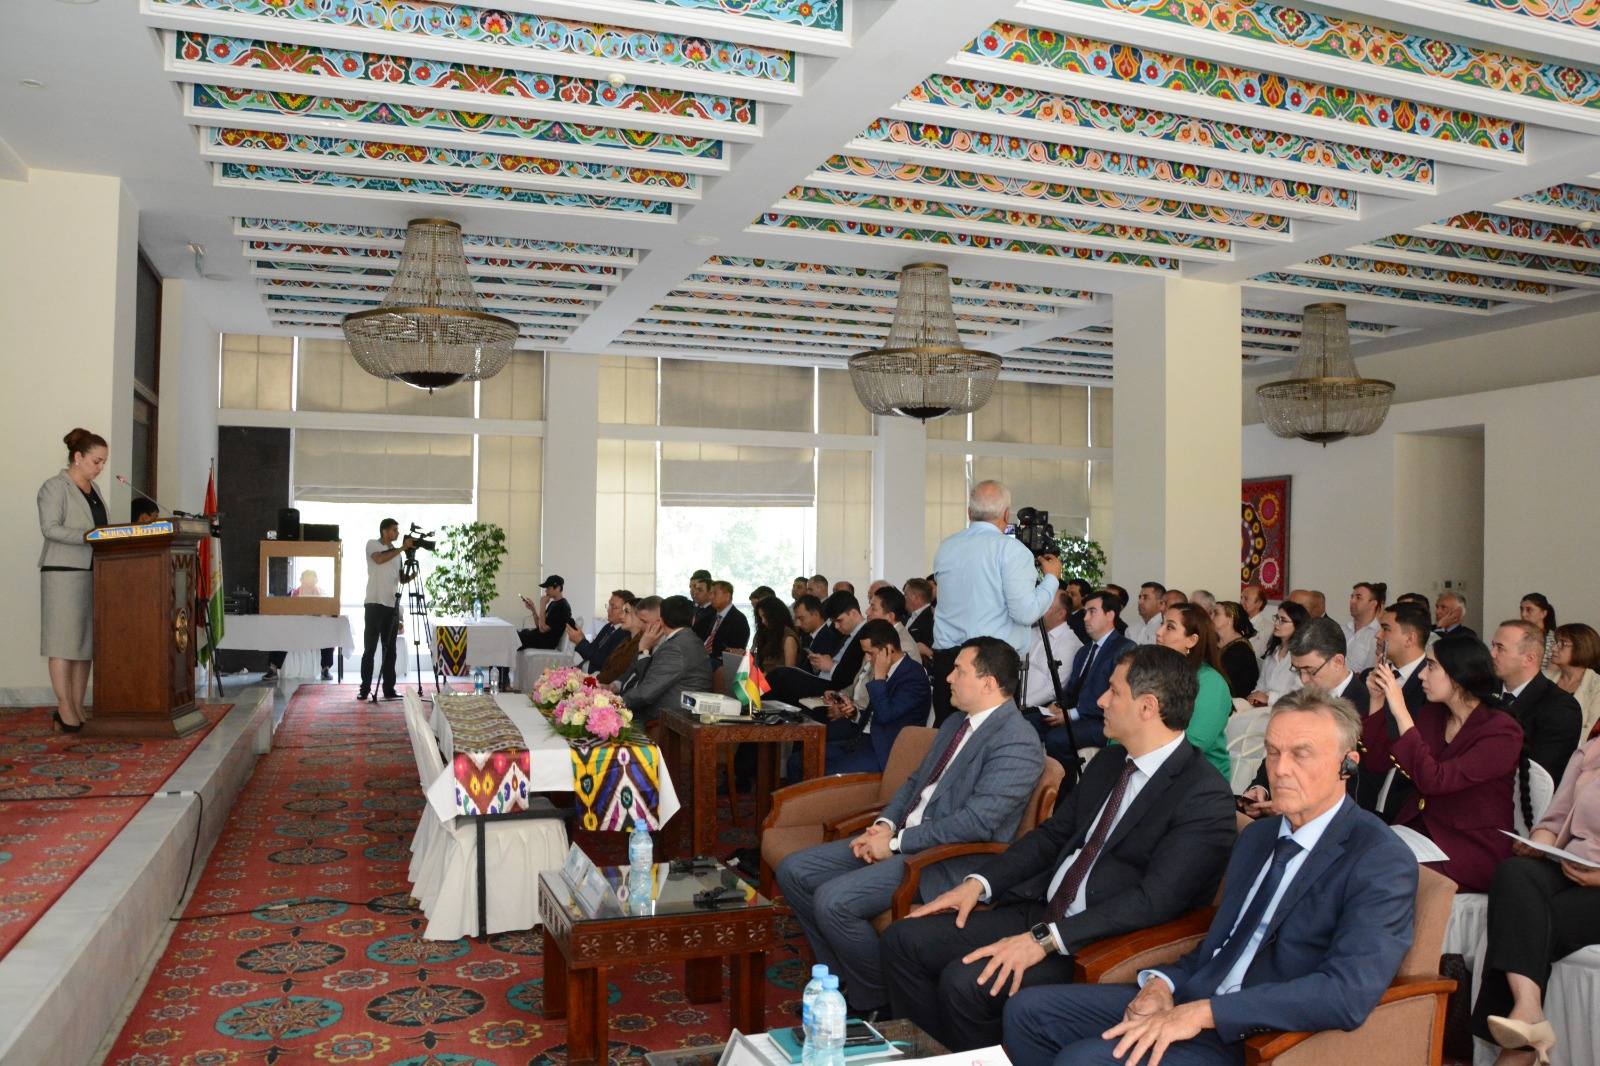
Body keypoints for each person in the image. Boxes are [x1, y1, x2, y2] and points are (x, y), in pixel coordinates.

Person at [1003, 687, 1418, 1066]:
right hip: (1195, 998)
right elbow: (1224, 942)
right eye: (1273, 752)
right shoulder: (1258, 837)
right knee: (1028, 1013)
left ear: (1348, 764)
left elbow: (1346, 992)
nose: (1280, 769)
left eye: (1301, 754)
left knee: (1083, 1060)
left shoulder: (1379, 859)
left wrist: (1207, 1013)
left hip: (1261, 1036)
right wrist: (1162, 984)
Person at [882, 645, 1237, 1051]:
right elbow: (1052, 837)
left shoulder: (1203, 796)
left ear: (1147, 707)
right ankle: (931, 1056)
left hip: (1099, 941)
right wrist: (979, 884)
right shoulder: (1110, 763)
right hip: (1041, 909)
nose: (1100, 701)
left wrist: (1045, 940)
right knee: (903, 940)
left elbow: (1153, 901)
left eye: (1113, 691)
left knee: (966, 983)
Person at [775, 637, 1045, 1016]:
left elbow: (977, 823)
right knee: (794, 870)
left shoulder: (1017, 741)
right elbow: (916, 782)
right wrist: (884, 824)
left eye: (959, 671)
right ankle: (839, 978)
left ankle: (876, 1000)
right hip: (904, 840)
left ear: (989, 683)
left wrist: (896, 843)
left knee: (833, 902)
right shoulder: (955, 722)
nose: (948, 678)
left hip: (944, 860)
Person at [1472, 733, 1600, 1066]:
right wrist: (1538, 844)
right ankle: (1528, 1009)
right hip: (1571, 865)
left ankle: (1517, 1053)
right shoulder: (1592, 749)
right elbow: (1554, 820)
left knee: (1528, 919)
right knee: (1514, 873)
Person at [1363, 634, 1523, 891]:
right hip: (1421, 833)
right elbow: (1378, 762)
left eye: (1431, 666)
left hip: (1470, 847)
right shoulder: (1434, 715)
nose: (1421, 675)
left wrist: (1401, 710)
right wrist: (1378, 701)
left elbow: (1434, 781)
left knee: (1380, 869)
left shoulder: (1501, 731)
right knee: (1351, 850)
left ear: (1458, 674)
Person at [928, 480, 1063, 724]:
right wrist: (1052, 578)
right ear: (1006, 514)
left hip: (948, 661)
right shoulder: (1011, 550)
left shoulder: (946, 548)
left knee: (949, 735)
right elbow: (1026, 613)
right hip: (990, 664)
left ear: (969, 512)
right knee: (991, 738)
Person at [1240, 617, 1369, 815]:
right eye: (1297, 670)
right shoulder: (1301, 698)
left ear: (1337, 661)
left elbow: (1357, 784)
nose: (1303, 680)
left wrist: (1296, 806)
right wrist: (1261, 788)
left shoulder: (1367, 707)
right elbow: (1278, 750)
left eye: (1310, 671)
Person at [37, 427, 109, 732]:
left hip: (94, 572)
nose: (101, 467)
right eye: (96, 461)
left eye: (103, 462)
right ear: (77, 457)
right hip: (63, 573)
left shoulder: (95, 490)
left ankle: (78, 704)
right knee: (63, 642)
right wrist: (89, 536)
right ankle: (64, 706)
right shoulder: (54, 487)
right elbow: (50, 528)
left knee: (84, 644)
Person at [819, 618, 931, 774]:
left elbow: (885, 716)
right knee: (800, 761)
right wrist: (854, 713)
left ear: (888, 650)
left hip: (883, 750)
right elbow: (875, 714)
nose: (867, 658)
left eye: (870, 653)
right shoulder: (884, 669)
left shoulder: (913, 677)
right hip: (861, 739)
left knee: (824, 771)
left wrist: (879, 678)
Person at [1356, 602, 1432, 821]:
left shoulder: (1429, 685)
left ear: (1410, 638)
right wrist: (1375, 701)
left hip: (1401, 791)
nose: (1378, 635)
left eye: (1386, 629)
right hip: (1365, 781)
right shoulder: (1372, 675)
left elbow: (1406, 744)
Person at [1490, 620, 1582, 783]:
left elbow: (1540, 777)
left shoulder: (1560, 707)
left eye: (1500, 648)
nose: (1492, 654)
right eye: (1493, 646)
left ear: (1529, 658)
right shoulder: (1483, 691)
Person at [1052, 590, 1136, 759]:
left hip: (1102, 720)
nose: (1085, 618)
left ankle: (1066, 777)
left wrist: (1071, 715)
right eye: (1085, 612)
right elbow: (1072, 690)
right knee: (1033, 722)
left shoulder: (1125, 649)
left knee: (1055, 738)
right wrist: (1057, 705)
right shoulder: (1083, 651)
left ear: (1110, 615)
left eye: (1092, 612)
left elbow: (1116, 697)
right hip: (1077, 714)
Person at [1152, 603, 1232, 778]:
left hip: (1198, 779)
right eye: (1162, 624)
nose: (1158, 632)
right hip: (1151, 767)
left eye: (1170, 627)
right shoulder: (1154, 673)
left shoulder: (1211, 683)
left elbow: (1194, 745)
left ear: (1192, 640)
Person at [617, 594, 712, 724]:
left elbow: (645, 693)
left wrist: (614, 703)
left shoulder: (675, 647)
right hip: (674, 712)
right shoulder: (688, 640)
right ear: (693, 619)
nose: (643, 627)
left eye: (644, 622)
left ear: (661, 621)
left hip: (672, 718)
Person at [767, 591, 868, 707]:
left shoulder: (864, 636)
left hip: (833, 686)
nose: (836, 626)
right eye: (834, 622)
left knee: (781, 675)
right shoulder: (847, 634)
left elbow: (852, 675)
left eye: (839, 621)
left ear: (853, 613)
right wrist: (822, 663)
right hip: (824, 678)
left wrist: (831, 666)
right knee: (780, 675)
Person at [1019, 589, 1083, 744]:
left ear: (1061, 614)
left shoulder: (1069, 643)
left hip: (1036, 707)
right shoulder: (1031, 632)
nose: (1039, 609)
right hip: (1013, 699)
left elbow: (1054, 688)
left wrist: (1021, 704)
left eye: (1046, 606)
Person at [359, 518, 409, 701]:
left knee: (390, 651)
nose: (397, 533)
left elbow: (401, 579)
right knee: (370, 650)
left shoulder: (398, 554)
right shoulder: (372, 544)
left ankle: (389, 689)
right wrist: (402, 548)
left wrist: (411, 574)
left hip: (391, 606)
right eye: (394, 530)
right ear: (384, 531)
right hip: (374, 604)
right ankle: (364, 689)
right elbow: (379, 559)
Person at [264, 569, 336, 682]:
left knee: (328, 635)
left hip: (316, 630)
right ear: (301, 580)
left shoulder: (323, 595)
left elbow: (330, 613)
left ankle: (325, 669)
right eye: (306, 581)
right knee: (279, 633)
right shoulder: (292, 594)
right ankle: (273, 668)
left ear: (316, 581)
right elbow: (283, 611)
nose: (309, 584)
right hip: (295, 630)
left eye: (311, 581)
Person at [1247, 600, 1308, 707]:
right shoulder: (1273, 651)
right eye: (1276, 618)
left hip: (1286, 709)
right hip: (1262, 706)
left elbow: (1299, 696)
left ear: (1298, 625)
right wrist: (1254, 696)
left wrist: (1269, 698)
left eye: (1283, 620)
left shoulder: (1301, 657)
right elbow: (1261, 685)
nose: (1276, 623)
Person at [1549, 622, 1600, 739]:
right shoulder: (1545, 677)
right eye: (1556, 642)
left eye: (1563, 644)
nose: (1554, 648)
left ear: (1582, 648)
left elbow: (1590, 731)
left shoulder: (1597, 686)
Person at [566, 589, 634, 673]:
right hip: (583, 668)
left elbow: (605, 662)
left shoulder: (625, 634)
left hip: (595, 675)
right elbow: (592, 651)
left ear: (626, 611)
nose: (608, 610)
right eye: (609, 605)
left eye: (613, 607)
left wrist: (580, 642)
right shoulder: (609, 626)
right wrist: (581, 639)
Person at [597, 596, 654, 685]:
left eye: (626, 611)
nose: (621, 616)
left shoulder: (644, 644)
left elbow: (624, 674)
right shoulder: (626, 640)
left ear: (641, 617)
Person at [1209, 601, 1259, 699]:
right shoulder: (1215, 642)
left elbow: (1220, 679)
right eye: (1211, 613)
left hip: (1235, 700)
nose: (1211, 617)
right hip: (1218, 693)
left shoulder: (1241, 650)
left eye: (1216, 613)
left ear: (1230, 618)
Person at [701, 579, 750, 664]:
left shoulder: (739, 620)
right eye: (710, 594)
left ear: (727, 596)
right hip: (703, 657)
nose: (710, 597)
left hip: (720, 662)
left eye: (714, 593)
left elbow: (735, 652)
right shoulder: (710, 615)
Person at [517, 575, 572, 650]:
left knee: (512, 637)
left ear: (558, 588)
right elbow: (539, 625)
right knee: (515, 634)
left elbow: (542, 629)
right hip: (538, 637)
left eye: (548, 588)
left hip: (545, 642)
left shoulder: (563, 606)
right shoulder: (553, 603)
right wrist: (533, 609)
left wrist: (542, 604)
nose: (546, 591)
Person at [1342, 581, 1385, 673]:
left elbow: (1369, 673)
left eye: (1358, 598)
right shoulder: (1342, 629)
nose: (1352, 601)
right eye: (1352, 597)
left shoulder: (1378, 636)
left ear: (1373, 604)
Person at [752, 596, 802, 672]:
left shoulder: (789, 638)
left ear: (774, 615)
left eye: (765, 616)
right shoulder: (768, 633)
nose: (763, 621)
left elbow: (789, 672)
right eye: (761, 617)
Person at [793, 593, 840, 663]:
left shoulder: (829, 640)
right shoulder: (806, 637)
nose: (797, 624)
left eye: (801, 618)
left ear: (816, 614)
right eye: (796, 619)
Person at [1520, 593, 1557, 671]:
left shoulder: (1554, 640)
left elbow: (1552, 671)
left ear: (1543, 613)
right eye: (1521, 609)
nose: (1523, 614)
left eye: (1529, 610)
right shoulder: (1517, 636)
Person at [904, 576, 936, 654]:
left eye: (906, 595)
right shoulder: (907, 616)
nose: (904, 598)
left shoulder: (931, 618)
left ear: (915, 597)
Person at [1241, 584, 1273, 658]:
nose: (1241, 602)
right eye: (1241, 598)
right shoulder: (1235, 622)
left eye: (1246, 599)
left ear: (1259, 603)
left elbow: (1258, 654)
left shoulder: (1269, 628)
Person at [1063, 578, 1092, 644]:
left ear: (1084, 598)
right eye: (1066, 593)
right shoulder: (1062, 613)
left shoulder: (1085, 621)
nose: (1068, 597)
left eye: (1073, 594)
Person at [689, 569, 715, 639]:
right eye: (690, 587)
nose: (692, 591)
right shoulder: (689, 607)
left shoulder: (716, 611)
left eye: (696, 587)